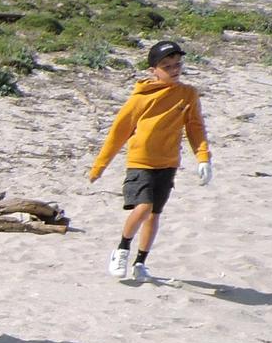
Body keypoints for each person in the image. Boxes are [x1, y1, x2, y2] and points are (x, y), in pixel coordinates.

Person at [89, 39, 213, 284]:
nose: (174, 69)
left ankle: (140, 263)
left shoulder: (188, 94)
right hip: (141, 162)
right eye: (167, 65)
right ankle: (122, 249)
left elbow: (195, 128)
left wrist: (203, 158)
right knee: (143, 208)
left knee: (154, 214)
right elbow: (118, 132)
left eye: (177, 64)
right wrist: (99, 166)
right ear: (153, 70)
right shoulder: (140, 98)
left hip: (168, 163)